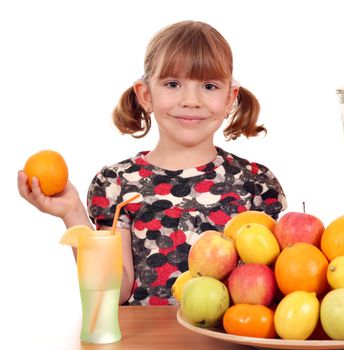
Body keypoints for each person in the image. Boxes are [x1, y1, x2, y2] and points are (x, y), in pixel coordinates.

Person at [17, 20, 287, 306]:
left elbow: (272, 289)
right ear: (146, 95)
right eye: (173, 84)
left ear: (230, 97)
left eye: (209, 85)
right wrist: (72, 213)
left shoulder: (256, 183)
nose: (191, 100)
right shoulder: (117, 183)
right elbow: (112, 294)